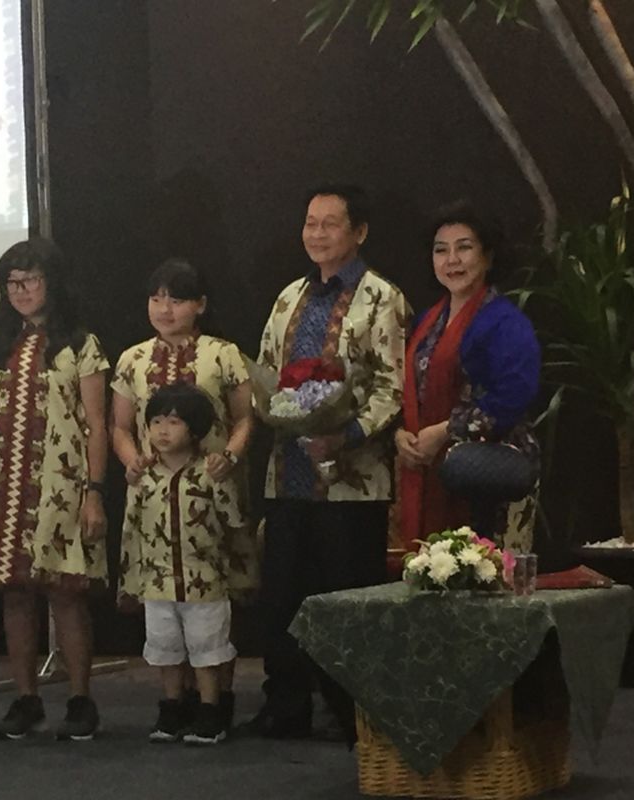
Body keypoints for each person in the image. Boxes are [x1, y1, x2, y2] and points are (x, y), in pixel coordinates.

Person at [245, 183, 408, 740]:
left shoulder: (382, 297)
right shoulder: (288, 297)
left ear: (358, 232)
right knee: (284, 594)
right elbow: (265, 373)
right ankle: (285, 704)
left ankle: (354, 712)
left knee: (349, 598)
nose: (316, 233)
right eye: (310, 223)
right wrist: (274, 412)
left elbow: (393, 386)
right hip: (287, 474)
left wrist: (348, 433)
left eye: (329, 224)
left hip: (354, 481)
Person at [0, 238, 110, 741]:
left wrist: (94, 491)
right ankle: (26, 699)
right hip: (4, 488)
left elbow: (96, 423)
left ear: (52, 283)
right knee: (14, 594)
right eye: (12, 282)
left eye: (31, 280)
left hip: (61, 486)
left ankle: (79, 699)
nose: (22, 291)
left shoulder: (79, 344)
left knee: (66, 593)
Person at [111, 257, 257, 730]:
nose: (165, 308)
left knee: (215, 597)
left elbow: (243, 419)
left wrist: (229, 459)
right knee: (163, 604)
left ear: (200, 305)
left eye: (176, 299)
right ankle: (175, 703)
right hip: (152, 490)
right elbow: (117, 425)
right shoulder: (132, 358)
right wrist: (132, 458)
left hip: (212, 489)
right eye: (156, 298)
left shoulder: (223, 353)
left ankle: (219, 700)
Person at [396, 204, 540, 551]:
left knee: (480, 576)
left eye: (464, 247)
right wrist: (401, 433)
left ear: (488, 256)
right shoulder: (428, 321)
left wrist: (445, 431)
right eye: (441, 250)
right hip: (426, 465)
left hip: (491, 476)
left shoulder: (506, 322)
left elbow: (511, 398)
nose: (452, 260)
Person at [123, 384, 245, 746]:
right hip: (157, 582)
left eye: (173, 422)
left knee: (207, 649)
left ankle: (211, 712)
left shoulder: (210, 474)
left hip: (203, 582)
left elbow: (234, 522)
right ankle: (172, 709)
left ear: (194, 429)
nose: (162, 431)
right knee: (165, 648)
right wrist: (131, 581)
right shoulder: (143, 478)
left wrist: (239, 572)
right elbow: (132, 529)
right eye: (155, 421)